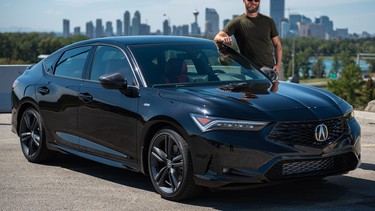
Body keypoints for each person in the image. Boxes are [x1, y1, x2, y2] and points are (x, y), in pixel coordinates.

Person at [214, 0, 283, 73]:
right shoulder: (237, 22)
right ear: (244, 1)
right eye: (250, 0)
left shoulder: (269, 21)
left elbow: (277, 44)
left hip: (269, 71)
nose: (253, 2)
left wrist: (278, 65)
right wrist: (223, 38)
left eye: (256, 0)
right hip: (248, 73)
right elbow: (217, 37)